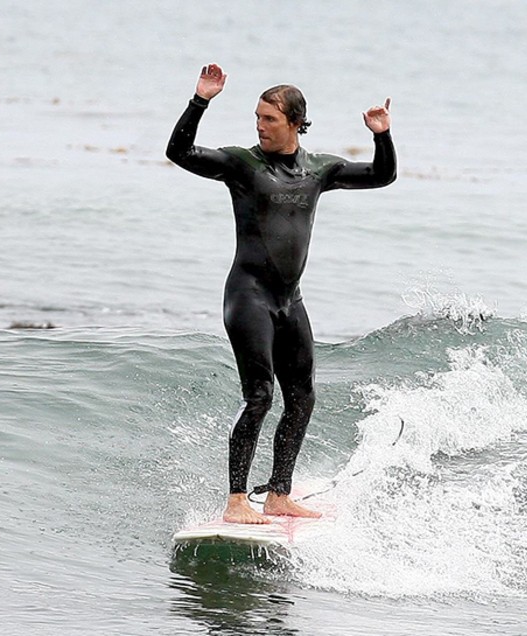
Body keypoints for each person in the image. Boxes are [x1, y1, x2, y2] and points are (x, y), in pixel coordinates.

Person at [166, 63, 396, 524]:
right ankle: (236, 500)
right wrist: (200, 100)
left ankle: (278, 494)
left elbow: (381, 175)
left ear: (295, 122)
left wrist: (382, 135)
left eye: (269, 119)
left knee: (302, 397)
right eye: (257, 117)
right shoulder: (242, 164)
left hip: (290, 301)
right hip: (248, 296)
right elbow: (180, 152)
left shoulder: (319, 169)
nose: (260, 126)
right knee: (259, 397)